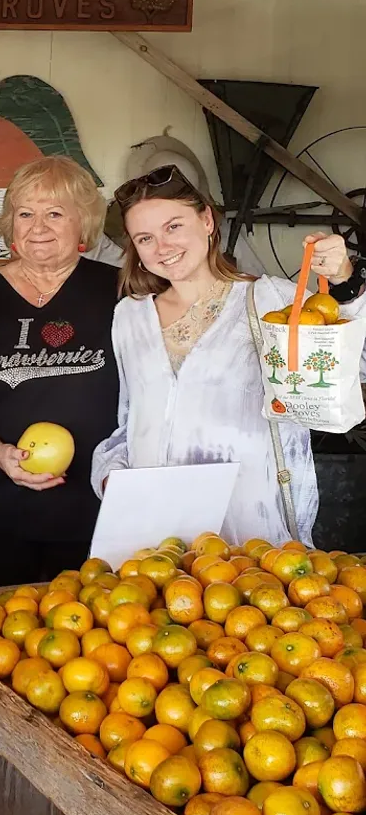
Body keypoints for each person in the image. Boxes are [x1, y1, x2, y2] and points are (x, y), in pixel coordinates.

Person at [91, 164, 366, 546]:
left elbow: (355, 363)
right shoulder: (129, 316)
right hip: (157, 536)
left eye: (173, 227)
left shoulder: (272, 301)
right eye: (145, 238)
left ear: (206, 220)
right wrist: (113, 476)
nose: (163, 248)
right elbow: (129, 423)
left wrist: (345, 282)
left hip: (253, 528)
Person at [0, 156, 119, 587]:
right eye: (25, 213)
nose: (38, 226)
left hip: (96, 500)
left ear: (83, 223)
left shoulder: (120, 289)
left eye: (55, 213)